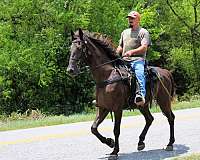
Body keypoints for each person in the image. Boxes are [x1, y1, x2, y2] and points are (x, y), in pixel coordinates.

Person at [116, 11, 151, 106]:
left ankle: (141, 95)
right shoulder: (124, 32)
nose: (130, 20)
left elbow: (144, 47)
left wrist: (132, 52)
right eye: (129, 18)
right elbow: (120, 47)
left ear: (138, 20)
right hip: (124, 61)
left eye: (132, 18)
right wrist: (115, 54)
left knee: (139, 73)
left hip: (137, 60)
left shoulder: (143, 32)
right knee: (111, 73)